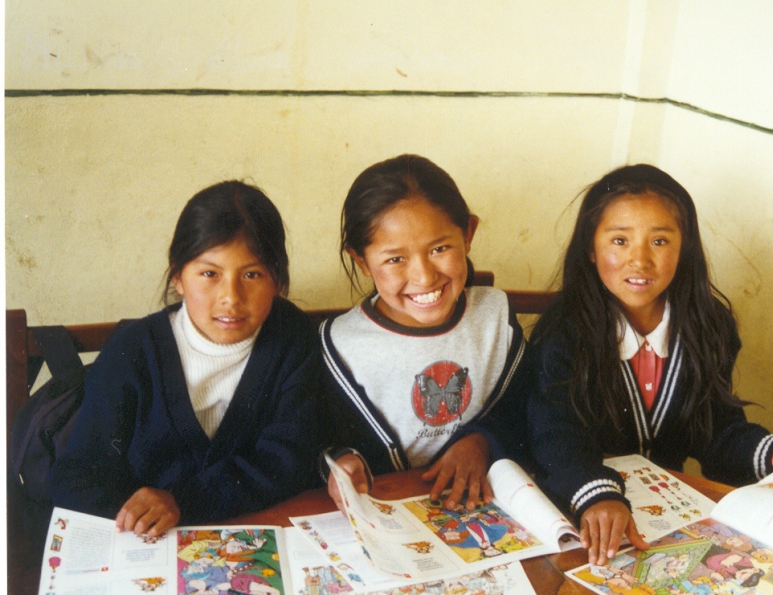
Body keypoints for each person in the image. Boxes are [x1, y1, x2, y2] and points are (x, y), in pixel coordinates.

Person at [526, 164, 773, 565]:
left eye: (660, 241)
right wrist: (597, 495)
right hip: (583, 513)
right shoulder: (564, 331)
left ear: (685, 249)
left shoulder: (708, 326)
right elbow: (553, 436)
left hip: (667, 518)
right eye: (619, 240)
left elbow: (713, 428)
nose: (640, 260)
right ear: (591, 250)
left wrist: (768, 451)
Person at [49, 181, 323, 536]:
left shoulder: (292, 338)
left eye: (252, 274)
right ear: (178, 275)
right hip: (145, 543)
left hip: (251, 536)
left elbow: (288, 459)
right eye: (209, 274)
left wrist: (184, 500)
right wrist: (134, 518)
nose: (231, 298)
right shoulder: (133, 350)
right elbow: (79, 472)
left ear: (278, 281)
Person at [319, 154, 529, 513]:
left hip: (486, 509)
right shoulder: (341, 345)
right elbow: (323, 440)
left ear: (468, 234)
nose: (424, 276)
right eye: (395, 259)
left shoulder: (495, 318)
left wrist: (482, 441)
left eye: (439, 248)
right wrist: (342, 461)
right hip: (390, 519)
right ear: (361, 260)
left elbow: (529, 413)